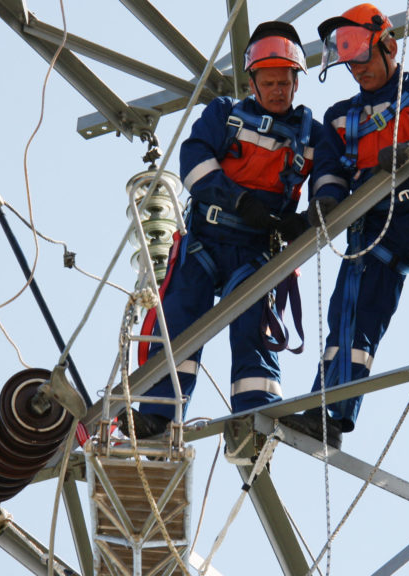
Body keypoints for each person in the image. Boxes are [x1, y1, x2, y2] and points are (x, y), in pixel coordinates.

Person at [281, 3, 409, 451]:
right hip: (378, 227)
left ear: (389, 45)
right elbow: (332, 173)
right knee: (351, 314)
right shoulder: (340, 117)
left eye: (362, 58)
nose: (356, 70)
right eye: (348, 63)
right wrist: (324, 206)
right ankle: (331, 411)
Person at [120, 21, 320, 439]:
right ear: (252, 82)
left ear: (296, 82)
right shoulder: (225, 114)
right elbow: (193, 160)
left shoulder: (310, 136)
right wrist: (239, 200)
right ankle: (158, 414)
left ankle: (256, 415)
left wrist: (311, 216)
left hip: (255, 253)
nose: (279, 91)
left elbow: (334, 176)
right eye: (269, 83)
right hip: (205, 244)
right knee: (177, 321)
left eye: (285, 82)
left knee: (253, 323)